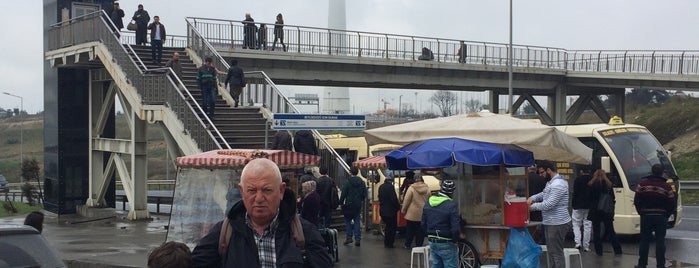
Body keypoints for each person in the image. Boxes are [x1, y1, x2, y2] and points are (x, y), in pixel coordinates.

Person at [191, 158, 332, 267]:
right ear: (242, 191)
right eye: (251, 190)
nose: (259, 199)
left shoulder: (304, 233)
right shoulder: (224, 233)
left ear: (281, 190)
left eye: (267, 190)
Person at [527, 160, 571, 268]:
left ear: (549, 170)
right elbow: (544, 193)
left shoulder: (558, 184)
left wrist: (531, 207)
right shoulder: (551, 182)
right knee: (552, 251)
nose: (541, 175)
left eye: (542, 172)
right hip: (551, 221)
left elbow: (549, 204)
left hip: (557, 222)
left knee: (556, 252)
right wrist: (533, 197)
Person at [634, 164, 676, 268]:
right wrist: (666, 214)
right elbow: (672, 202)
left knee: (644, 241)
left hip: (646, 216)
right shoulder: (666, 186)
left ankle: (642, 264)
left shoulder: (643, 184)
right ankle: (660, 264)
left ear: (651, 172)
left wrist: (641, 212)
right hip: (661, 216)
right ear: (662, 173)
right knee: (660, 241)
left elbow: (636, 200)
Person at [422, 179, 460, 268]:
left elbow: (423, 223)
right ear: (451, 192)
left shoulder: (429, 202)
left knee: (436, 264)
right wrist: (455, 239)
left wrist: (429, 234)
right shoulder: (451, 205)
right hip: (446, 241)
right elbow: (455, 228)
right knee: (450, 265)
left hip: (432, 240)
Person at [588, 169, 622, 256]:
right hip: (606, 210)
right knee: (610, 230)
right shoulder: (608, 185)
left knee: (596, 231)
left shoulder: (592, 185)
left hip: (595, 210)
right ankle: (617, 249)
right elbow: (613, 198)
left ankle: (599, 251)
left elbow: (590, 198)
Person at [401, 173, 430, 248]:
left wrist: (403, 210)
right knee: (420, 231)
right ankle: (419, 244)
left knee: (410, 230)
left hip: (412, 214)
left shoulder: (412, 188)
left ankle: (408, 244)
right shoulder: (427, 188)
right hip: (423, 213)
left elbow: (407, 200)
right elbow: (429, 200)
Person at [340, 166, 367, 246]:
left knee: (347, 220)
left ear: (350, 172)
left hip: (349, 204)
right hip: (357, 204)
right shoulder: (361, 182)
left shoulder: (347, 182)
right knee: (357, 221)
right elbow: (364, 193)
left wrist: (341, 202)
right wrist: (360, 200)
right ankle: (357, 239)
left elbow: (343, 193)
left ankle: (349, 237)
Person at [571, 168, 592, 252]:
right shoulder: (592, 179)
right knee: (587, 225)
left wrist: (573, 204)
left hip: (578, 205)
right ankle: (586, 246)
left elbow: (575, 193)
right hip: (589, 205)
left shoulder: (577, 180)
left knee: (576, 224)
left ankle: (577, 242)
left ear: (581, 171)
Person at [378, 173, 400, 248]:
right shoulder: (390, 187)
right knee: (392, 227)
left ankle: (386, 242)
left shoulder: (381, 187)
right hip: (390, 211)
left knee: (387, 227)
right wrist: (398, 207)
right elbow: (394, 199)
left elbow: (379, 198)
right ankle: (390, 243)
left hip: (382, 211)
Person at [527, 164, 547, 244]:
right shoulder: (542, 179)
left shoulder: (524, 178)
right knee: (540, 223)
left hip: (528, 204)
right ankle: (541, 239)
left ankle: (530, 240)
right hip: (539, 205)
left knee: (528, 224)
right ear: (536, 169)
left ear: (528, 169)